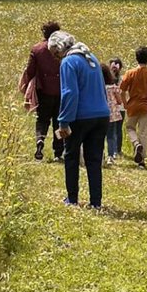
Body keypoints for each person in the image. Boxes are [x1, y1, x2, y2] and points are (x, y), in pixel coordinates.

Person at [47, 30, 109, 208]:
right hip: (101, 115)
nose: (55, 58)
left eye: (54, 54)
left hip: (80, 116)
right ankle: (95, 202)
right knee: (94, 160)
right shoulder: (91, 57)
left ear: (59, 50)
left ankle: (72, 199)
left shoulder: (68, 62)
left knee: (72, 156)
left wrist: (64, 121)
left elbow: (70, 93)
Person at [20, 21, 63, 161]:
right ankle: (58, 152)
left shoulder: (37, 49)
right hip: (61, 90)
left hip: (43, 90)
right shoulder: (63, 49)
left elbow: (30, 70)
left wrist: (26, 85)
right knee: (59, 121)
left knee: (42, 119)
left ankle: (40, 141)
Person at [119, 45, 147, 168]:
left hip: (133, 106)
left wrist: (125, 103)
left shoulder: (130, 73)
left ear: (136, 58)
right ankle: (142, 162)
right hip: (146, 106)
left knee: (130, 127)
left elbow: (122, 91)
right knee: (144, 132)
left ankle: (136, 144)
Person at [102, 63, 125, 166]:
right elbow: (120, 101)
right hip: (112, 115)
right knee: (111, 136)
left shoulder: (99, 87)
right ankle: (111, 156)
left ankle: (100, 155)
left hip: (101, 114)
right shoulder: (113, 87)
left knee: (100, 136)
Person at [107, 57, 125, 159]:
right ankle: (118, 149)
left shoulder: (108, 80)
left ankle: (112, 150)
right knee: (118, 129)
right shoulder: (122, 79)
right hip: (121, 108)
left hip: (110, 109)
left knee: (110, 130)